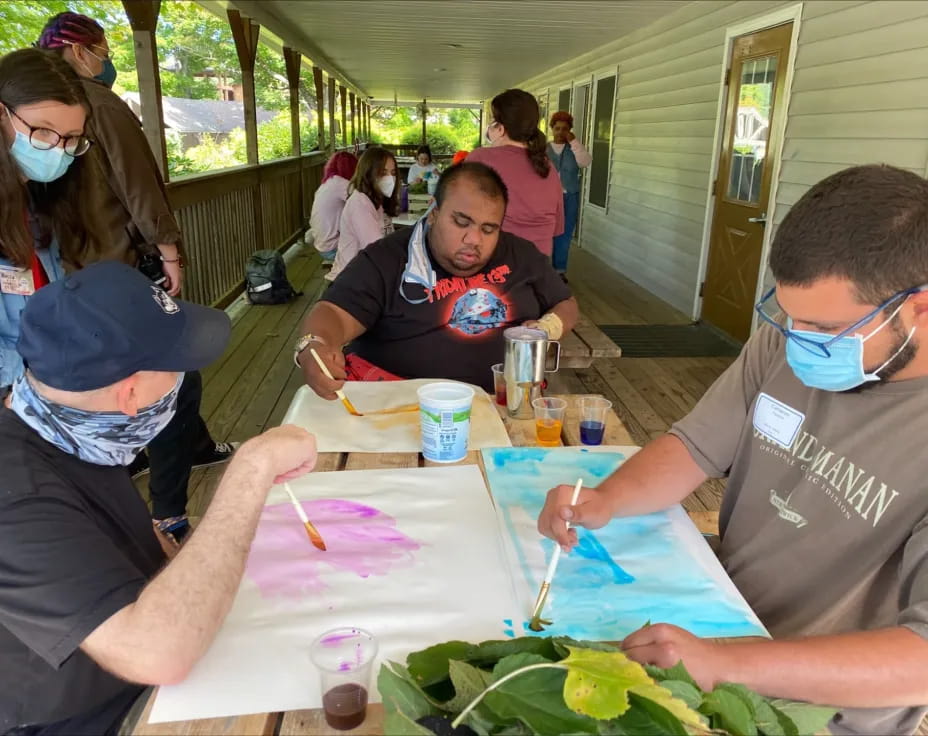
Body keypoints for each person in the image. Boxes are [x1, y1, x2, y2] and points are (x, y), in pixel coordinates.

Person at [537, 165, 928, 735]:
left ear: (918, 308)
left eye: (823, 328)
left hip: (815, 710)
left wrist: (726, 666)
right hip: (713, 613)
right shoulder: (790, 337)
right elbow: (694, 446)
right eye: (788, 316)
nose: (797, 339)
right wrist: (605, 498)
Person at [0, 260, 317, 735]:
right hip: (89, 715)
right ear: (130, 393)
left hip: (145, 669)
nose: (183, 379)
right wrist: (250, 471)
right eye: (176, 368)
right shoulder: (16, 496)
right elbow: (155, 654)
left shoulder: (64, 423)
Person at [38, 14, 236, 542]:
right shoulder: (99, 106)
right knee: (173, 380)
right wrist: (170, 253)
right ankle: (167, 508)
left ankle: (181, 452)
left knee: (127, 381)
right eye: (101, 50)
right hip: (119, 273)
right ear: (80, 52)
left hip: (65, 279)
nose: (106, 60)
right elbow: (139, 185)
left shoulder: (32, 119)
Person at [296, 162, 579, 395]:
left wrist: (547, 328)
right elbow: (333, 312)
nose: (474, 239)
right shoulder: (386, 259)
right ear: (434, 212)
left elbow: (565, 303)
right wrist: (315, 343)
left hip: (503, 404)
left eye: (489, 229)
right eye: (461, 222)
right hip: (397, 408)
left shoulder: (521, 254)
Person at [467, 89, 564, 257]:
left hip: (493, 266)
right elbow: (557, 228)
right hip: (538, 268)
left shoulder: (480, 158)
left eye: (492, 119)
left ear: (500, 127)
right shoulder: (548, 167)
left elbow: (459, 215)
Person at [326, 145, 398, 282]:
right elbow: (376, 252)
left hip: (364, 277)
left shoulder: (377, 201)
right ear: (368, 173)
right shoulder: (360, 203)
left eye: (393, 173)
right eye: (383, 173)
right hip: (347, 283)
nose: (390, 179)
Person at [547, 111, 591, 278]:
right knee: (546, 231)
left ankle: (559, 270)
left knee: (564, 234)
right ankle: (543, 270)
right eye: (557, 128)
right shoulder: (544, 149)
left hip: (569, 196)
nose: (560, 132)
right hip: (548, 197)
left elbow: (585, 161)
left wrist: (573, 141)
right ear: (552, 129)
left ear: (569, 130)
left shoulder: (574, 148)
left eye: (564, 129)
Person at [308, 151, 357, 264]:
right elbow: (366, 201)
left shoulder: (328, 183)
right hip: (333, 248)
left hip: (322, 244)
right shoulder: (342, 184)